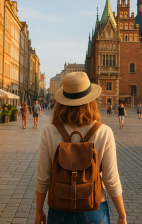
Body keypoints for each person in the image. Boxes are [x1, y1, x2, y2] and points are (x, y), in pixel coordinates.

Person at [35, 72, 127, 224]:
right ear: (91, 101)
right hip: (95, 209)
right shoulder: (104, 132)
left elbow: (42, 178)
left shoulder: (50, 132)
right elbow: (111, 179)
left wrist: (39, 212)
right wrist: (122, 215)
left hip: (59, 208)